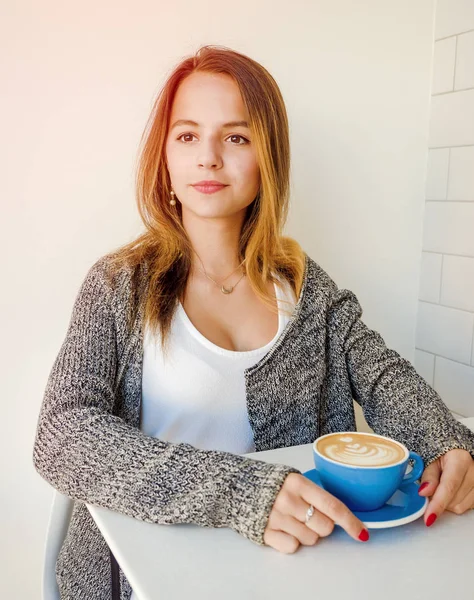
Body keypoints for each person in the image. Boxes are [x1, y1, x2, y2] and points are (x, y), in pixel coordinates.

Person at [32, 45, 474, 600]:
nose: (209, 157)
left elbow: (384, 377)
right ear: (164, 157)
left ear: (269, 159)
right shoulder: (118, 283)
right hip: (140, 576)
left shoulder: (306, 286)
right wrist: (242, 492)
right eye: (188, 135)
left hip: (282, 573)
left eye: (236, 137)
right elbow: (61, 435)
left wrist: (449, 444)